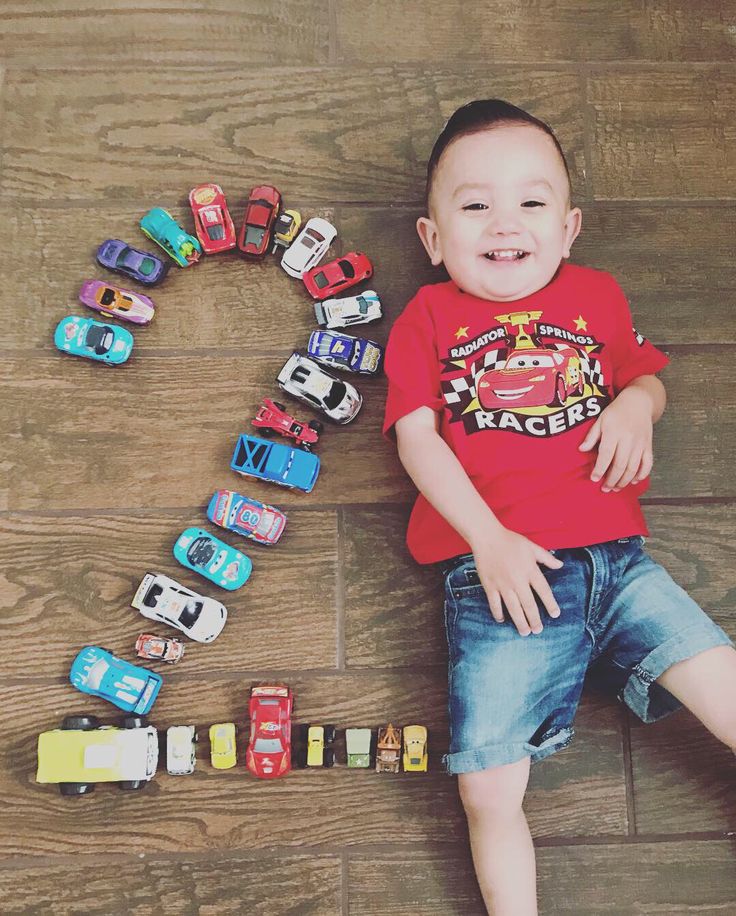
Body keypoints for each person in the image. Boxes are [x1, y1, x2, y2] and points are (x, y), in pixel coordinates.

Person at [382, 99, 736, 916]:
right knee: (488, 783)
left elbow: (644, 375)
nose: (505, 224)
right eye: (475, 206)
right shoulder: (428, 317)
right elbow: (417, 440)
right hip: (509, 578)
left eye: (531, 203)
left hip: (621, 562)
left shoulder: (597, 296)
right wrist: (489, 539)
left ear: (569, 228)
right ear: (434, 239)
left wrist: (637, 406)